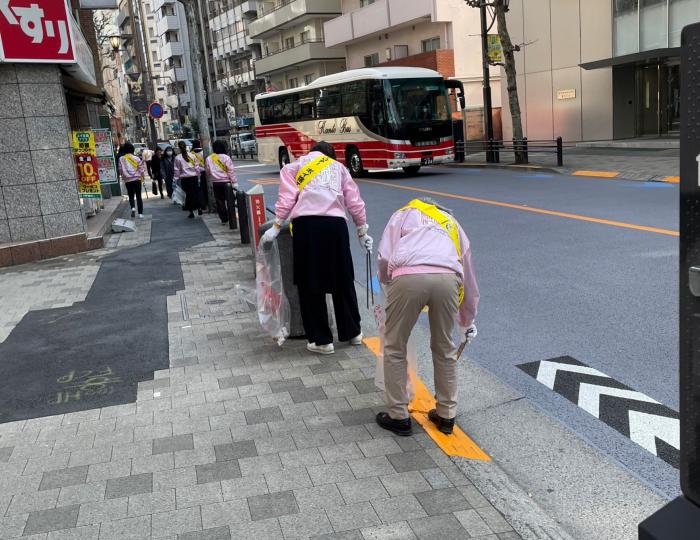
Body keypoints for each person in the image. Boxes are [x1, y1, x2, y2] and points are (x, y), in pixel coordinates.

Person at [374, 198, 479, 436]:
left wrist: (388, 283)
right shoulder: (451, 223)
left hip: (409, 277)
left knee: (395, 345)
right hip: (448, 279)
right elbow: (468, 273)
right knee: (444, 347)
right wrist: (467, 321)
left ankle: (399, 415)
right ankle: (446, 415)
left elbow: (384, 257)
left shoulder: (401, 214)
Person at [261, 141, 373, 355]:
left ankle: (322, 341)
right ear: (330, 156)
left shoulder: (294, 167)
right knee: (343, 277)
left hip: (308, 226)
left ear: (311, 153)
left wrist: (276, 226)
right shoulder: (339, 168)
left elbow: (286, 200)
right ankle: (353, 332)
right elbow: (355, 202)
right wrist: (362, 231)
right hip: (336, 226)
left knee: (310, 281)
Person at [206, 139, 238, 224]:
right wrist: (234, 182)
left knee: (220, 201)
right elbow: (231, 171)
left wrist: (212, 177)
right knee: (230, 200)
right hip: (226, 182)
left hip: (216, 183)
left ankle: (224, 219)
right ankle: (232, 218)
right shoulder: (226, 158)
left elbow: (208, 171)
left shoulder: (209, 158)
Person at [174, 140, 204, 219]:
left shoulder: (178, 158)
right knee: (196, 194)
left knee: (187, 196)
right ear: (186, 147)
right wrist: (198, 175)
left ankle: (191, 212)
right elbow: (197, 167)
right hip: (194, 178)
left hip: (185, 179)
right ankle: (199, 208)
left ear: (179, 148)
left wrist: (175, 179)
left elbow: (177, 170)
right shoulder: (192, 155)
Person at [118, 142, 146, 219]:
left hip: (128, 180)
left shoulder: (121, 158)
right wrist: (143, 177)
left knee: (131, 195)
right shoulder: (136, 158)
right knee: (138, 196)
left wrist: (124, 176)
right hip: (137, 179)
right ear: (132, 149)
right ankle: (140, 213)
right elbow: (141, 169)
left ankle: (133, 208)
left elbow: (120, 169)